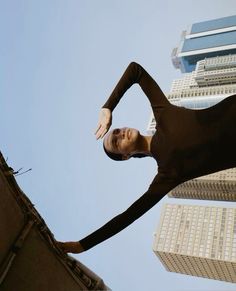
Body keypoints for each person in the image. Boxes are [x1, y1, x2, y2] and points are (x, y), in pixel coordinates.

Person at [57, 62, 236, 253]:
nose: (119, 134)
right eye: (116, 143)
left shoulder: (164, 115)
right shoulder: (167, 175)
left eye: (116, 131)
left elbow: (135, 70)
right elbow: (128, 216)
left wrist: (108, 107)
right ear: (126, 156)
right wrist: (82, 245)